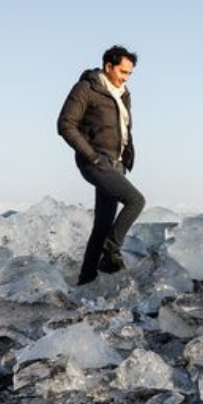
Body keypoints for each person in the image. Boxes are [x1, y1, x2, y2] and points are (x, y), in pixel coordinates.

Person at [57, 45, 146, 285]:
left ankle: (85, 280)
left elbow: (124, 129)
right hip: (96, 161)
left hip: (116, 164)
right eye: (123, 72)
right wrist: (92, 156)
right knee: (136, 201)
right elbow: (65, 124)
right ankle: (111, 249)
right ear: (108, 66)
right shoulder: (87, 88)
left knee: (102, 225)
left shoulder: (123, 93)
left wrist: (126, 157)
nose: (126, 78)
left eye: (130, 74)